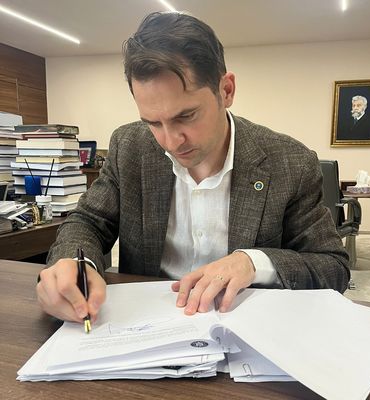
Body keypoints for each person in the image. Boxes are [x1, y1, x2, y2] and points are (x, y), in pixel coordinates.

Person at [37, 11, 349, 325]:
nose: (171, 141)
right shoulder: (130, 147)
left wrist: (252, 263)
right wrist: (73, 263)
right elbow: (89, 222)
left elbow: (332, 267)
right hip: (145, 327)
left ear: (226, 91)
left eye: (186, 116)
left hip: (245, 328)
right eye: (153, 123)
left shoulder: (290, 162)